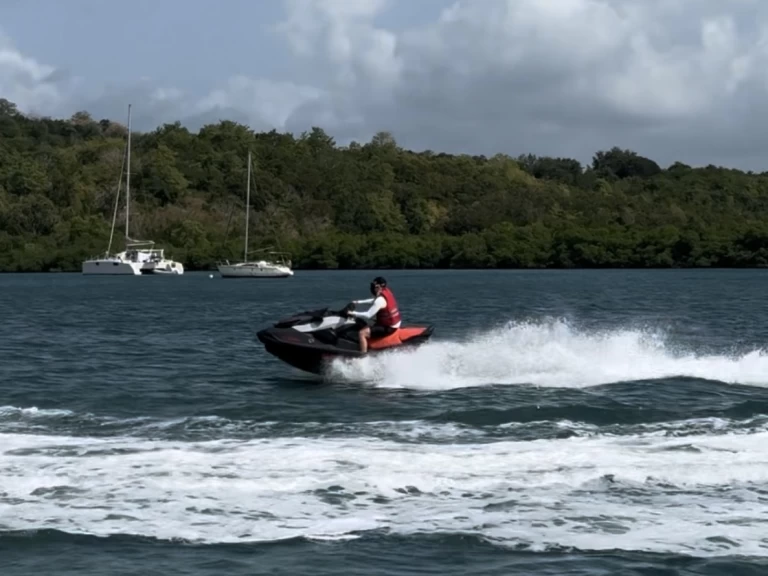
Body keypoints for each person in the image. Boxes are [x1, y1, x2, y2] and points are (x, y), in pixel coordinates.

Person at [348, 276, 401, 353]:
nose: (372, 288)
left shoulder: (380, 300)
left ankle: (363, 355)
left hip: (389, 327)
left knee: (362, 333)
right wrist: (358, 302)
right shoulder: (386, 292)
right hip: (394, 323)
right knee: (366, 324)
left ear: (379, 286)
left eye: (374, 286)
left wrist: (352, 313)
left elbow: (368, 315)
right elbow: (374, 300)